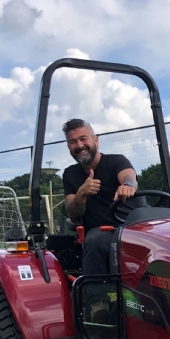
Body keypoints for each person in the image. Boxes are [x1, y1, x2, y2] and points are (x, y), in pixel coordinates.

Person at [62, 118, 138, 276]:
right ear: (69, 147)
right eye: (73, 142)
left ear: (95, 140)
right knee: (95, 240)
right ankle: (98, 299)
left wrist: (127, 186)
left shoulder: (116, 161)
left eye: (83, 139)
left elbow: (129, 176)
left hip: (134, 227)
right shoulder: (70, 174)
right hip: (104, 233)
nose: (80, 146)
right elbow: (72, 212)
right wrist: (81, 193)